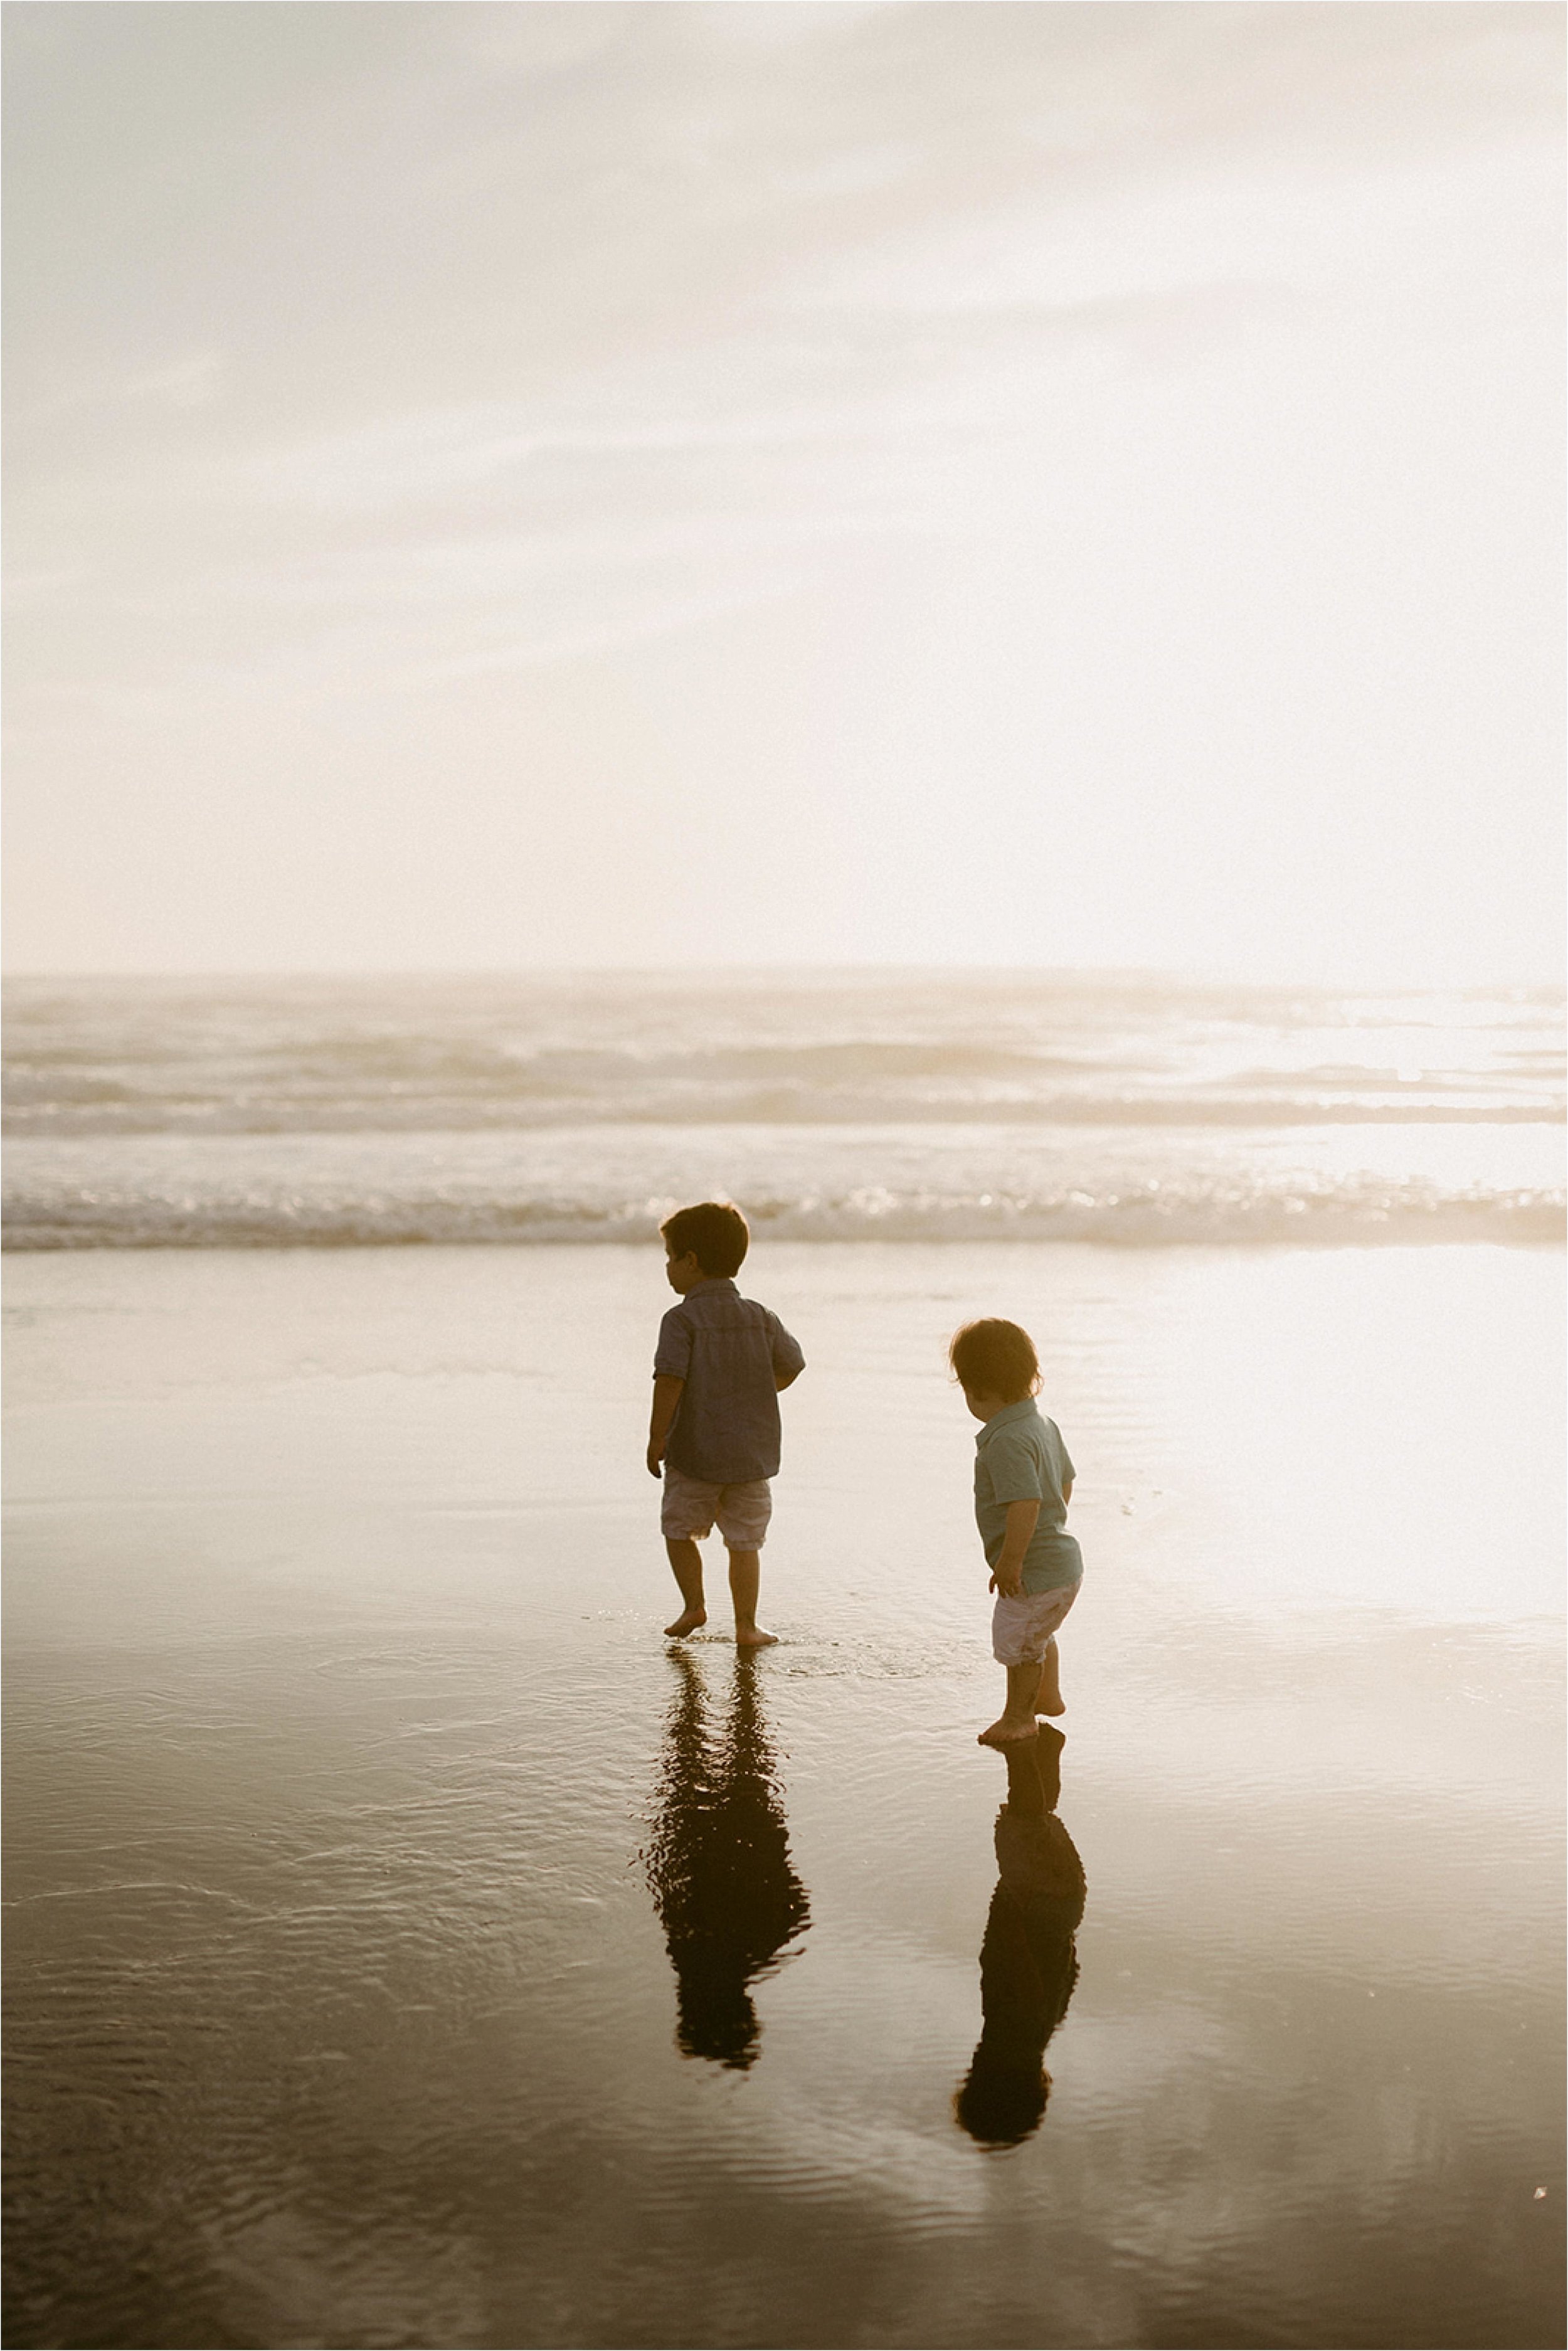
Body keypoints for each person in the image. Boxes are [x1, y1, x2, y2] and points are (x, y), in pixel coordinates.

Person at [647, 1200, 805, 1646]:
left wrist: (657, 1436)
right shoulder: (760, 1317)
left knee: (678, 1529)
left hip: (695, 1451)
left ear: (691, 1261)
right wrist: (750, 1393)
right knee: (745, 1542)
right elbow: (793, 1365)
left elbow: (670, 1380)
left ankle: (694, 1605)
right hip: (750, 1456)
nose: (668, 1267)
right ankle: (746, 1626)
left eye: (670, 1257)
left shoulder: (681, 1320)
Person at [950, 1317, 1083, 1747]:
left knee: (1018, 1642)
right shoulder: (1043, 1425)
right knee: (1038, 1632)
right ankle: (1048, 1696)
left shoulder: (1005, 1440)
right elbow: (1064, 1482)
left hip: (1034, 1567)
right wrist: (1053, 1526)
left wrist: (1012, 1560)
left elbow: (1025, 1504)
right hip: (1062, 1563)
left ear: (976, 1390)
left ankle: (1019, 1717)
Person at [955, 1723, 1086, 2146]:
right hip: (1036, 1903)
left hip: (1063, 1905)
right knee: (1025, 1822)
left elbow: (1071, 1970)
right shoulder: (1011, 2038)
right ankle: (1023, 1747)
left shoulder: (1042, 2035)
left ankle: (1045, 1750)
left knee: (1034, 1825)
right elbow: (1015, 1968)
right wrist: (1013, 1910)